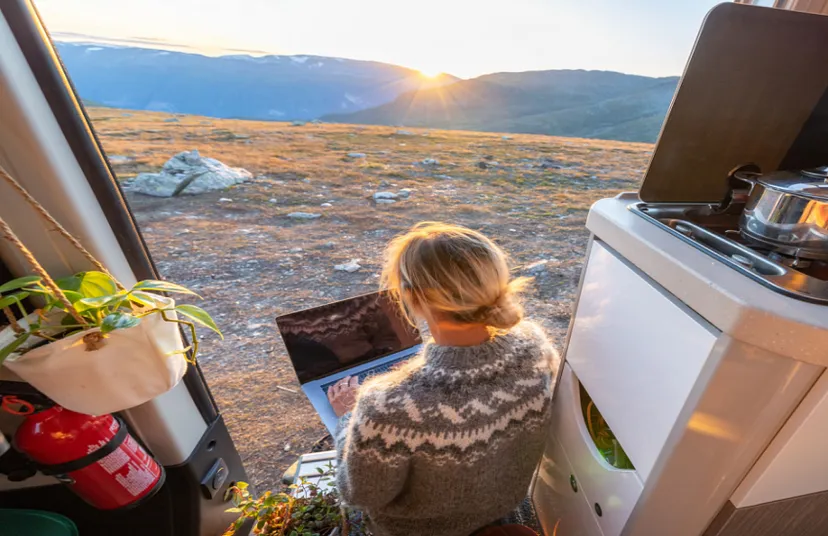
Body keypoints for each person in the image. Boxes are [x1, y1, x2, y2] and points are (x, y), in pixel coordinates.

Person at [328, 222, 559, 536]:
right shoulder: (536, 348)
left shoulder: (386, 405)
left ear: (412, 298)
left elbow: (359, 494)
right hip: (503, 510)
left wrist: (346, 420)